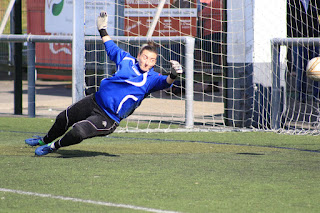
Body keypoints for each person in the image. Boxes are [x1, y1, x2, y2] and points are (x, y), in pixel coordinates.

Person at [25, 12, 183, 156]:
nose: (147, 62)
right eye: (145, 57)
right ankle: (44, 140)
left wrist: (174, 74)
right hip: (94, 100)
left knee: (78, 131)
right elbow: (111, 47)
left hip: (108, 118)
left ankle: (53, 147)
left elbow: (166, 82)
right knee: (63, 118)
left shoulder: (151, 79)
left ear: (155, 63)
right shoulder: (127, 60)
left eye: (152, 60)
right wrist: (102, 29)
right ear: (139, 56)